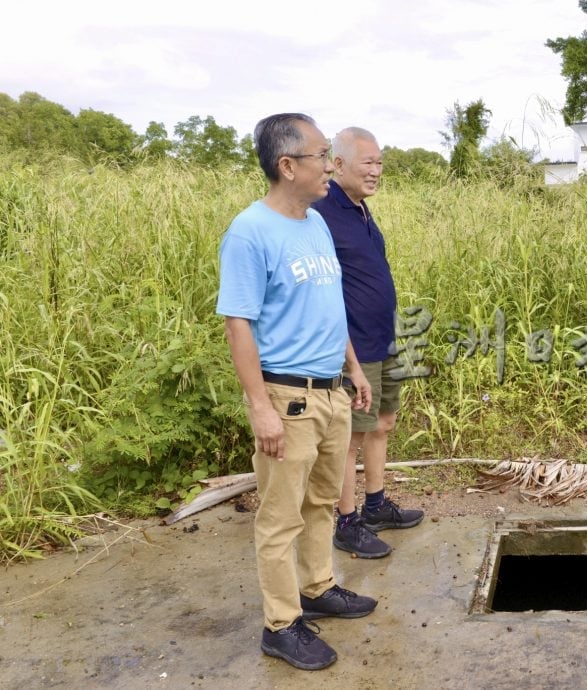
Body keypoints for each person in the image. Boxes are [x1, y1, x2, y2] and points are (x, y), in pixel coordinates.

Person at [217, 113, 377, 670]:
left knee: (322, 503)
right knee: (280, 516)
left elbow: (329, 309)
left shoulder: (314, 224)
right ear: (287, 166)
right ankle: (281, 624)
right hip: (288, 398)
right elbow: (238, 324)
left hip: (331, 389)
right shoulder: (250, 232)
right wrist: (260, 407)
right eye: (322, 155)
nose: (331, 165)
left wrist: (353, 368)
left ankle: (319, 587)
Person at [311, 127, 424, 560]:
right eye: (368, 163)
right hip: (352, 347)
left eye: (380, 163)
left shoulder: (360, 210)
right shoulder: (322, 211)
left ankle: (376, 506)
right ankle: (346, 521)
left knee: (382, 424)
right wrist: (348, 356)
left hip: (384, 338)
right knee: (350, 439)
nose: (376, 171)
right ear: (338, 164)